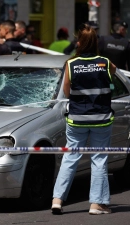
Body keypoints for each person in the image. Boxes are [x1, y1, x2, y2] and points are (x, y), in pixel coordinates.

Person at [51, 24, 116, 215]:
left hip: (77, 118)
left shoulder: (71, 64)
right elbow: (114, 74)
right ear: (96, 43)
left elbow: (66, 91)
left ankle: (57, 200)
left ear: (78, 43)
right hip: (101, 118)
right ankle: (96, 204)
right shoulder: (105, 62)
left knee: (70, 158)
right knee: (99, 160)